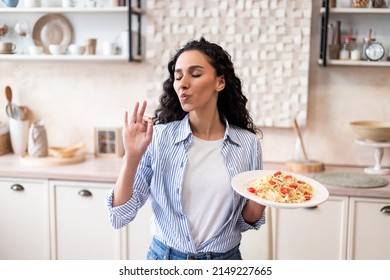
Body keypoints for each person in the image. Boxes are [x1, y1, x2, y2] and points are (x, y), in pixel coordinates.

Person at [106, 37, 266, 260]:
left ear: (220, 82)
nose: (183, 83)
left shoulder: (247, 144)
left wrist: (265, 197)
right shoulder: (159, 138)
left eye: (196, 74)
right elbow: (120, 216)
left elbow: (244, 222)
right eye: (178, 76)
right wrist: (131, 157)